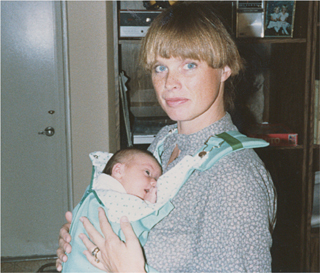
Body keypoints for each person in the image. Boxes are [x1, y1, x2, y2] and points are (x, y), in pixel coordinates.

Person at [57, 2, 277, 272]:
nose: (169, 82)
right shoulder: (166, 141)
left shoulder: (235, 178)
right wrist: (85, 244)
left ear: (225, 69)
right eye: (160, 67)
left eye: (189, 64)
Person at [61, 148, 161, 272]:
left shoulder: (95, 192)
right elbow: (134, 234)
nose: (154, 183)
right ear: (118, 171)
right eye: (147, 172)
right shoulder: (115, 201)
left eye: (157, 179)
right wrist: (147, 207)